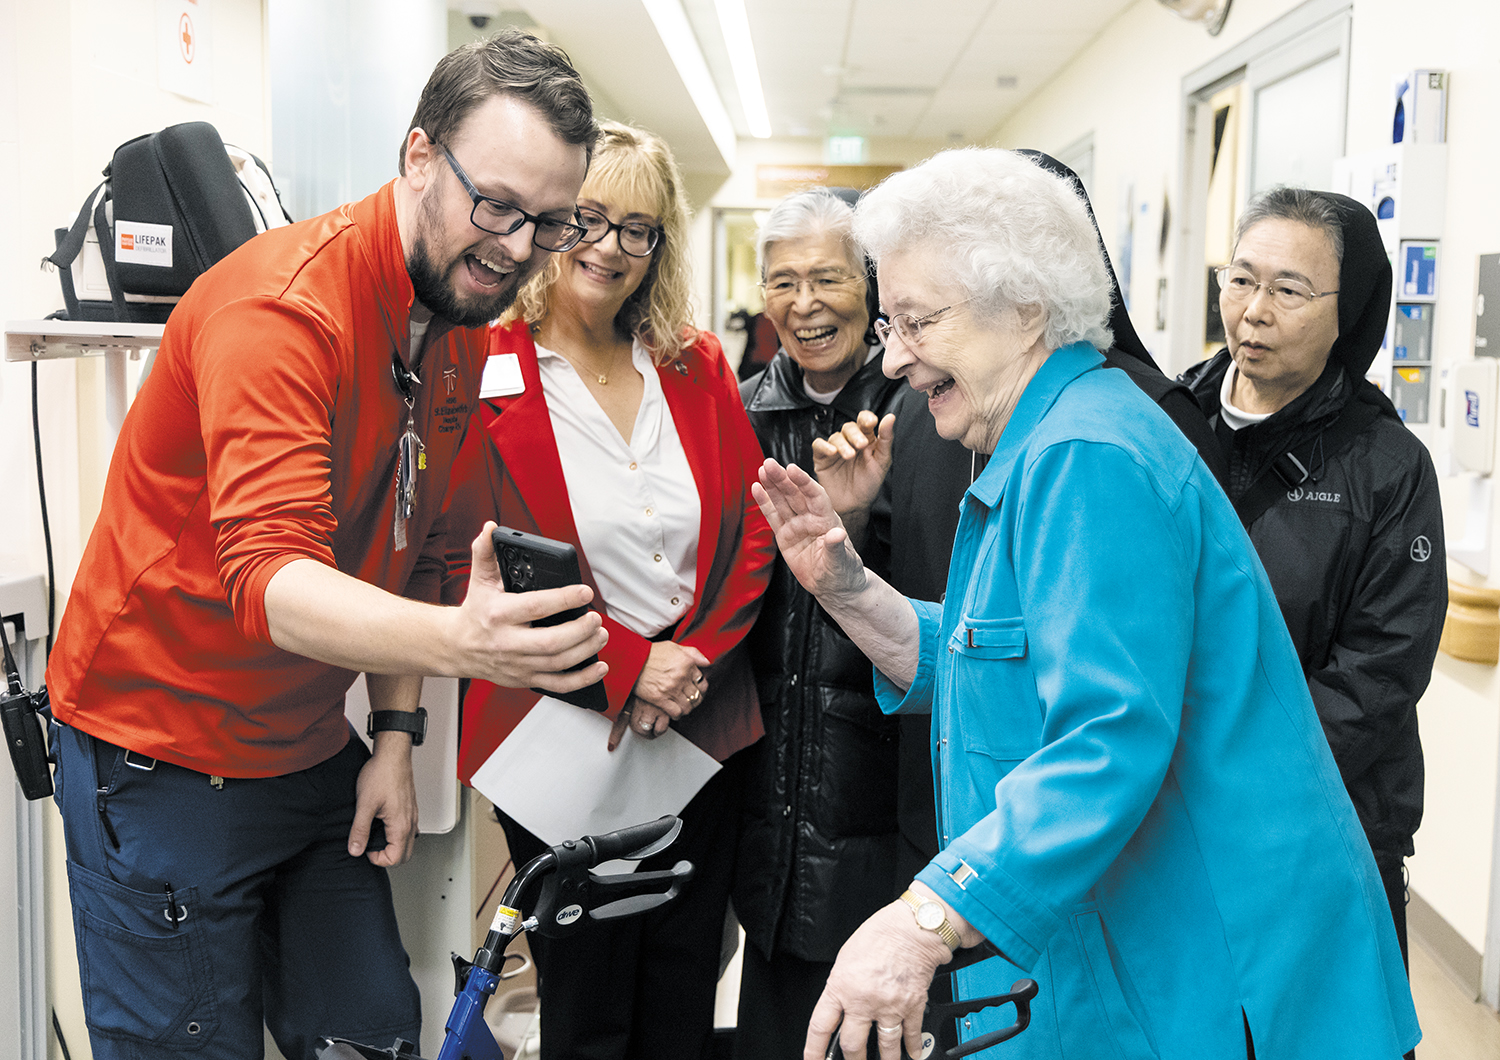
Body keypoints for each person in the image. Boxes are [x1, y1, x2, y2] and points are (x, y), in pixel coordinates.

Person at [752, 147, 1419, 1060]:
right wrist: (847, 587)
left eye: (916, 321)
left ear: (1025, 309)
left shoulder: (1089, 454)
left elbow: (1110, 733)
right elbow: (992, 656)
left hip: (1221, 959)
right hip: (1137, 931)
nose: (894, 356)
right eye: (890, 323)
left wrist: (924, 919)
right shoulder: (1042, 439)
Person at [43, 31, 605, 1060]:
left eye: (550, 221)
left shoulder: (458, 319)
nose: (519, 247)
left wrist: (393, 737)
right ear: (419, 155)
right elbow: (271, 581)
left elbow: (422, 551)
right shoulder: (281, 312)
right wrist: (467, 643)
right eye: (496, 205)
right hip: (163, 752)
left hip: (307, 750)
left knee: (371, 1035)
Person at [448, 120, 773, 1060]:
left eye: (639, 228)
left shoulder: (695, 362)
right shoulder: (484, 363)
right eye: (589, 218)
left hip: (699, 728)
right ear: (553, 223)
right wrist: (629, 669)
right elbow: (484, 555)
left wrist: (692, 663)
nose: (611, 248)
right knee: (585, 1008)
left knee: (682, 991)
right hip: (557, 724)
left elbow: (752, 530)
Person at [1180, 187, 1446, 975]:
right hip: (1171, 830)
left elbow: (1379, 672)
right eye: (1240, 279)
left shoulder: (1388, 466)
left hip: (1324, 829)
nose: (1254, 311)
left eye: (1289, 291)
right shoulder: (1168, 420)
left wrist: (1230, 776)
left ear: (1347, 311)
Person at [732, 188, 908, 1060]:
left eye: (828, 278)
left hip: (881, 783)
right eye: (783, 281)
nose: (805, 304)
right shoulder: (740, 412)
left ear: (870, 287)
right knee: (778, 1016)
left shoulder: (921, 411)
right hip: (766, 782)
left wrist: (859, 525)